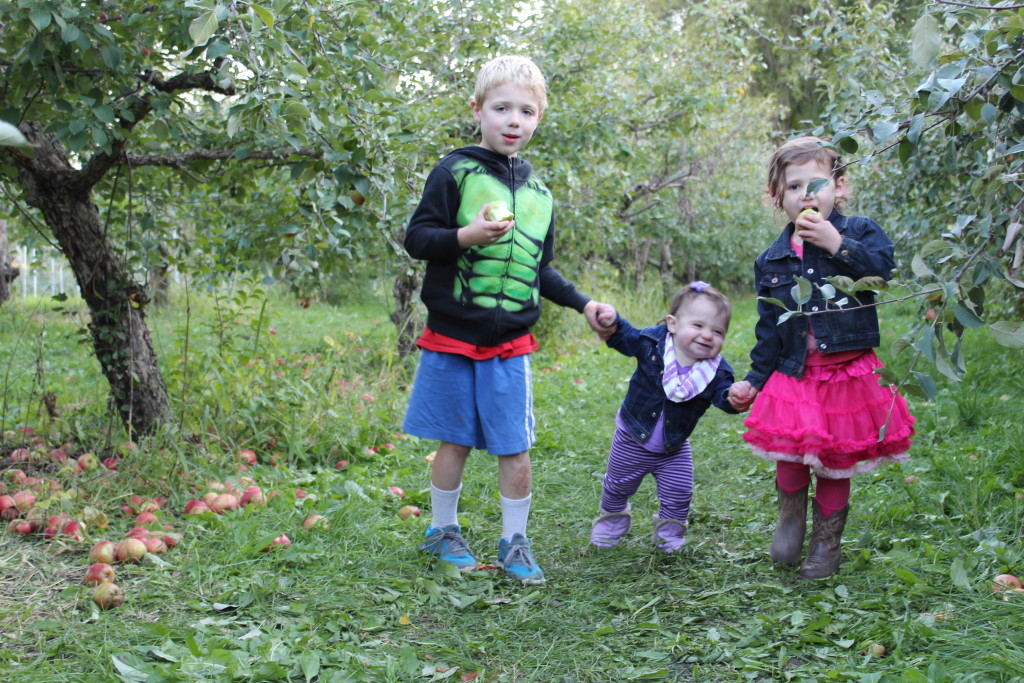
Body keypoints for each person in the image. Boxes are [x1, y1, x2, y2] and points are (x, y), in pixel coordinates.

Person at [402, 55, 616, 585]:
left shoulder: (541, 195)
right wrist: (465, 237)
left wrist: (585, 304)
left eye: (526, 110)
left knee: (513, 446)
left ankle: (514, 540)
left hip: (510, 344)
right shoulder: (454, 171)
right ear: (478, 110)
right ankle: (442, 529)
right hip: (452, 336)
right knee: (453, 440)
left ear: (538, 118)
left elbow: (540, 270)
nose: (513, 120)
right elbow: (417, 239)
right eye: (501, 108)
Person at [729, 136, 915, 579]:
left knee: (835, 459)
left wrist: (837, 245)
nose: (806, 195)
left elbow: (882, 273)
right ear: (778, 198)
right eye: (794, 187)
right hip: (794, 374)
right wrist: (755, 379)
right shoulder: (771, 259)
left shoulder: (860, 233)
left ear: (840, 187)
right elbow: (769, 325)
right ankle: (790, 519)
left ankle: (827, 544)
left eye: (816, 184)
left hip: (845, 375)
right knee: (791, 455)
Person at [591, 282, 741, 553]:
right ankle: (611, 523)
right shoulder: (653, 344)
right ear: (672, 324)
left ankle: (669, 536)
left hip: (674, 447)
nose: (707, 335)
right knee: (617, 486)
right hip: (631, 438)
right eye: (698, 325)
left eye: (717, 331)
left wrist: (734, 397)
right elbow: (626, 337)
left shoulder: (717, 372)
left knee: (679, 493)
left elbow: (724, 397)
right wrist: (612, 322)